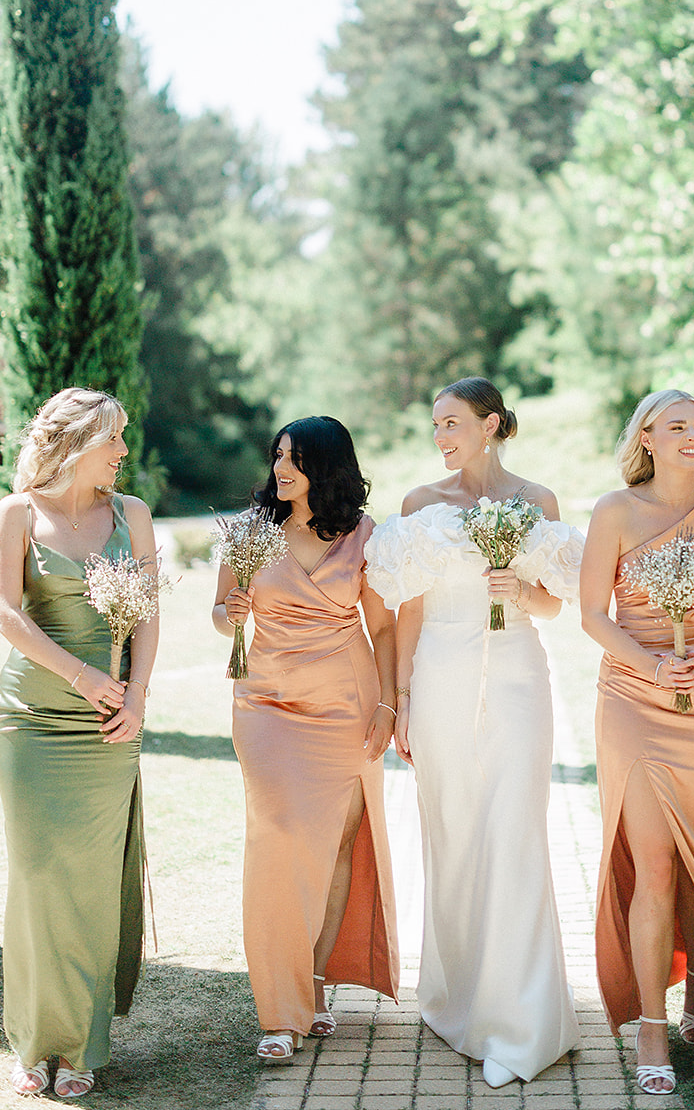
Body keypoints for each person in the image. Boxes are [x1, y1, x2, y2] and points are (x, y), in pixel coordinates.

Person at [364, 376, 582, 1089]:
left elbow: (555, 605)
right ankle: (460, 999)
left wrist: (522, 593)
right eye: (436, 426)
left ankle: (522, 1020)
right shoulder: (419, 505)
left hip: (519, 674)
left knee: (513, 831)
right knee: (453, 833)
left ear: (490, 425)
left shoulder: (538, 501)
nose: (441, 437)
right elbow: (407, 612)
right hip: (440, 680)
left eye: (453, 422)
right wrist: (398, 698)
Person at [580, 388, 694, 1097]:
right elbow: (593, 614)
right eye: (675, 425)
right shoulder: (613, 511)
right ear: (646, 438)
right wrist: (651, 662)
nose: (690, 435)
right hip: (632, 691)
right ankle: (652, 1022)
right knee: (655, 862)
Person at [213, 416, 399, 1063]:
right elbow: (219, 612)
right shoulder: (250, 531)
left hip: (344, 706)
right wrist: (228, 613)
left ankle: (314, 984)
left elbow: (385, 627)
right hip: (264, 703)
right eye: (278, 456)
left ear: (328, 466)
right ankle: (277, 1009)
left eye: (295, 458)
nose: (281, 468)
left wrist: (388, 704)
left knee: (336, 843)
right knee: (277, 836)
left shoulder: (364, 535)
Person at [0, 388, 158, 1100]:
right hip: (31, 719)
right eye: (114, 440)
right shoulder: (17, 513)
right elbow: (2, 611)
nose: (123, 453)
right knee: (36, 876)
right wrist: (82, 672)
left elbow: (147, 616)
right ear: (78, 442)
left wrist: (137, 697)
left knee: (88, 886)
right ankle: (35, 1044)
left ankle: (82, 1047)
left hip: (107, 727)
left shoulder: (134, 515)